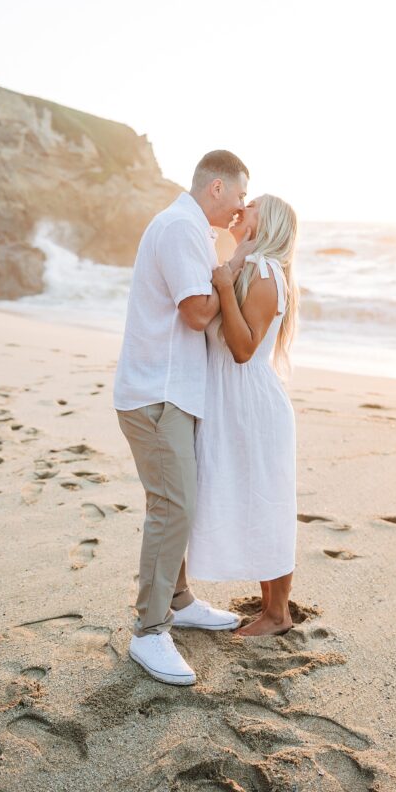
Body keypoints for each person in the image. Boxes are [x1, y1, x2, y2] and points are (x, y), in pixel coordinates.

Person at [113, 149, 254, 685]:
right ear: (216, 187)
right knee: (173, 508)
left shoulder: (194, 230)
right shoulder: (178, 228)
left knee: (177, 504)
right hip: (156, 393)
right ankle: (148, 631)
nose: (240, 206)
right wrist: (233, 267)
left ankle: (179, 599)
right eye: (239, 194)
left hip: (172, 392)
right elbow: (196, 313)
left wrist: (225, 261)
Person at [186, 194, 299, 636]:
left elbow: (242, 349)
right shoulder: (249, 265)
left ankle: (277, 614)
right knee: (253, 502)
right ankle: (272, 609)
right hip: (233, 404)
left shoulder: (265, 271)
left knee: (267, 504)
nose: (240, 210)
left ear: (264, 222)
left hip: (252, 405)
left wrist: (224, 285)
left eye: (249, 206)